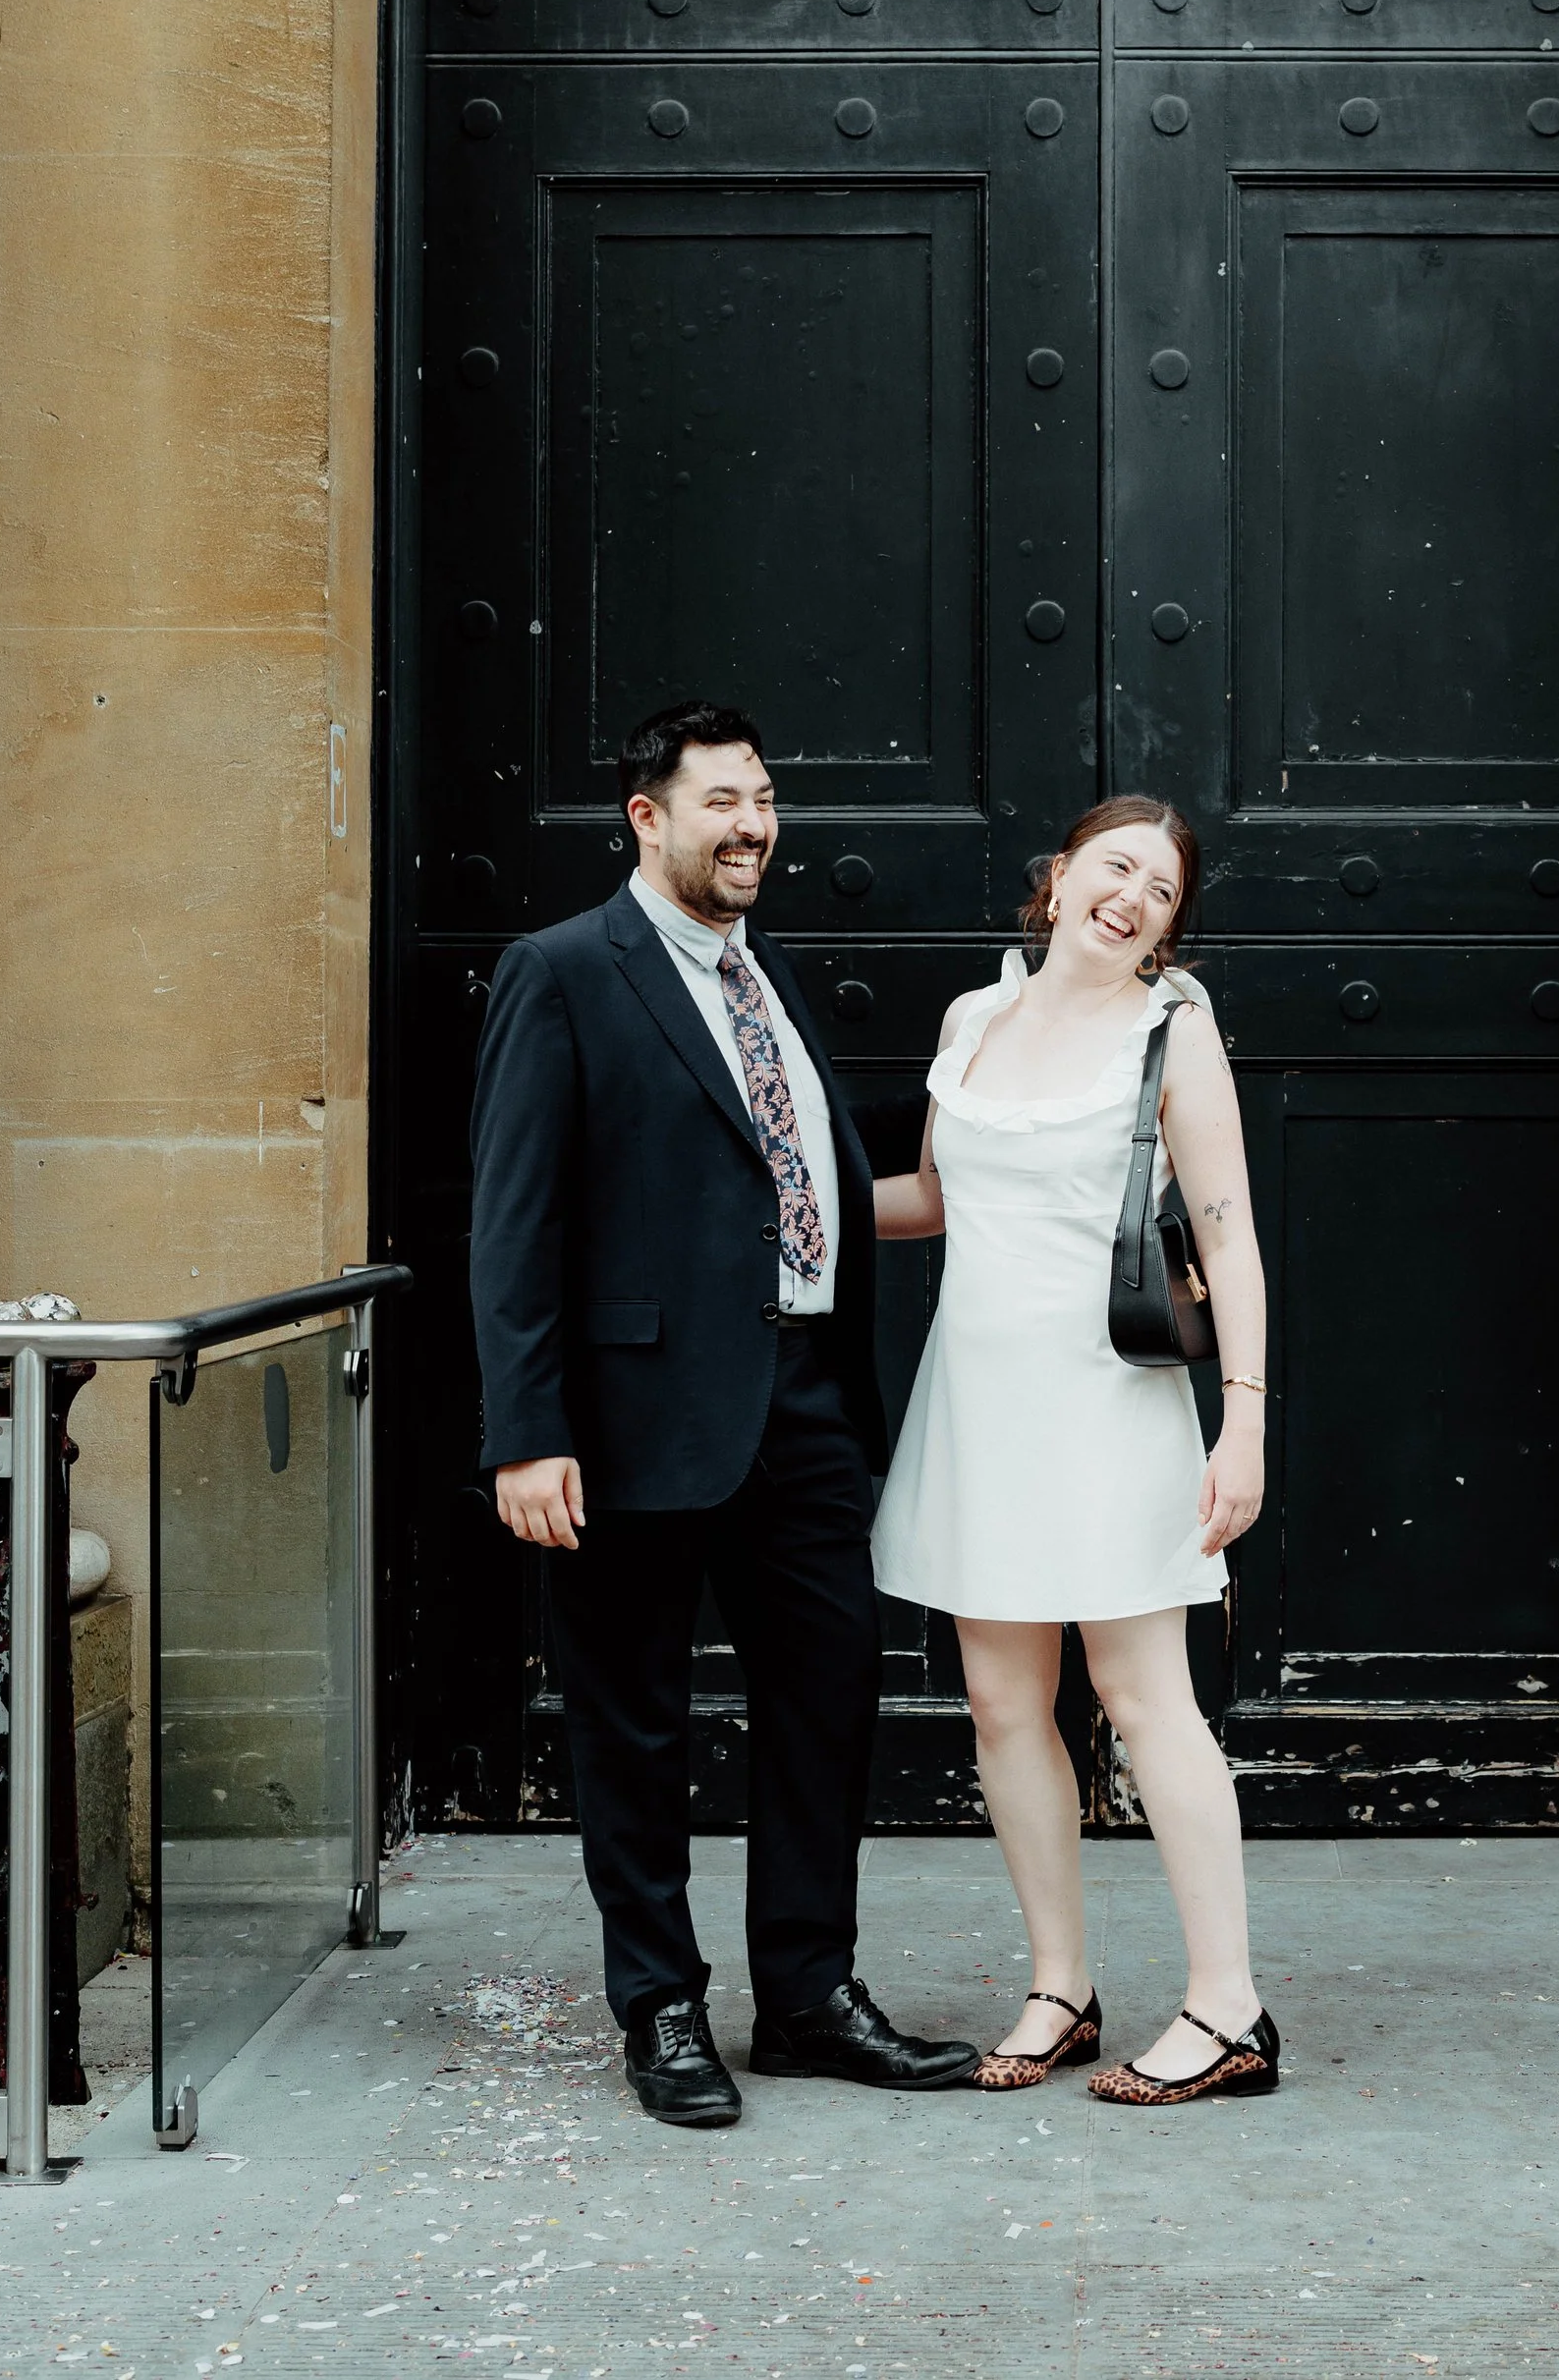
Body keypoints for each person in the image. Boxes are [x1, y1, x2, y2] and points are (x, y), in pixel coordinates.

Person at [467, 698, 979, 2128]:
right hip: (627, 1419)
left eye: (764, 799)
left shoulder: (771, 981)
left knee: (828, 1703)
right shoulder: (564, 973)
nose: (754, 826)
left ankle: (809, 1999)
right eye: (723, 803)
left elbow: (783, 1180)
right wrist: (526, 1428)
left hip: (807, 1401)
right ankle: (662, 2007)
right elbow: (514, 1225)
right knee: (628, 1723)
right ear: (649, 816)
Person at [868, 796, 1279, 2105]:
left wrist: (1245, 1419)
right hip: (978, 1405)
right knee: (1000, 1702)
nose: (1133, 896)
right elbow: (935, 1198)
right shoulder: (972, 1020)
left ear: (1165, 929)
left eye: (1160, 892)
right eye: (1116, 867)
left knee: (1145, 1697)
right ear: (1056, 881)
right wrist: (771, 1203)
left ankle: (1229, 2008)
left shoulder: (1175, 1027)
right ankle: (1061, 1986)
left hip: (1109, 1408)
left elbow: (1227, 1236)